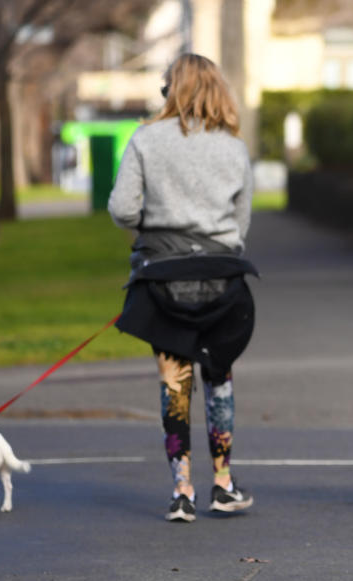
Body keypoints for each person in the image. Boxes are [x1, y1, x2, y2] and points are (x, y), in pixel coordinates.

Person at [108, 53, 257, 523]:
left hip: (164, 278)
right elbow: (241, 222)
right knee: (219, 378)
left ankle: (181, 490)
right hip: (223, 284)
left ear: (171, 90)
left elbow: (121, 209)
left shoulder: (146, 140)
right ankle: (224, 483)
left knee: (175, 383)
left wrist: (155, 225)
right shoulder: (233, 148)